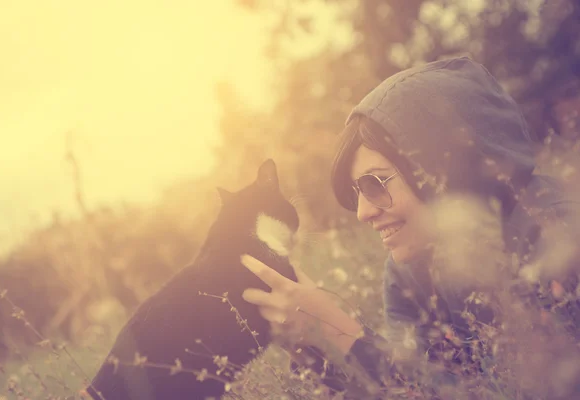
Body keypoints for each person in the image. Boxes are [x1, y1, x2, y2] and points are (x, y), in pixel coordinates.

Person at [240, 57, 580, 398]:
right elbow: (421, 387)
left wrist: (342, 334)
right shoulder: (409, 271)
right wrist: (316, 347)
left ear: (446, 167)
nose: (361, 213)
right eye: (355, 192)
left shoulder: (561, 238)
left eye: (375, 183)